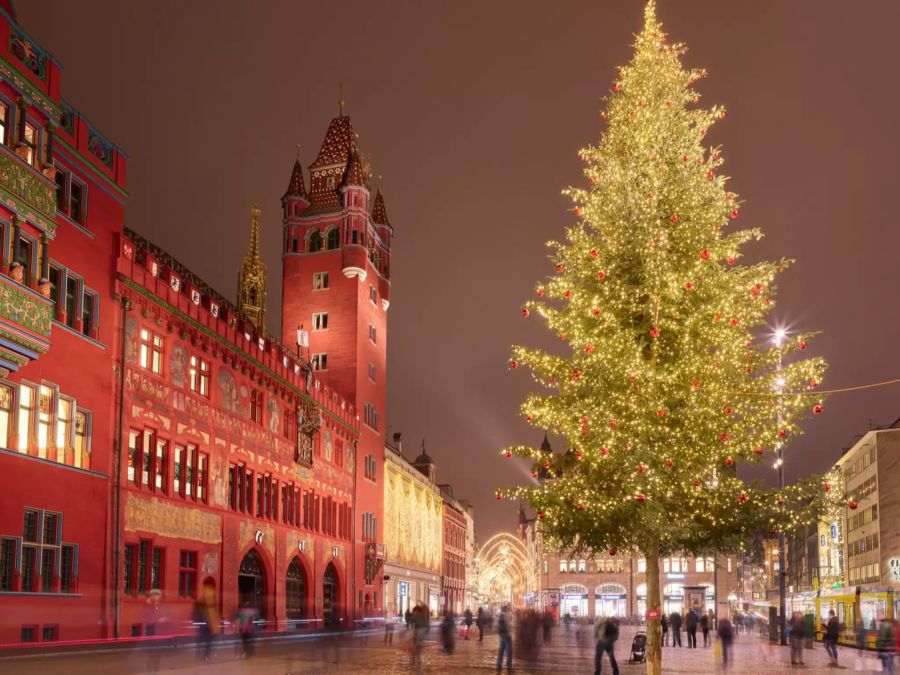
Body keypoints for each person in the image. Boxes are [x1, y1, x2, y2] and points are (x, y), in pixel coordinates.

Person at [193, 581, 219, 662]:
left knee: (207, 639)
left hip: (208, 624)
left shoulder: (211, 602)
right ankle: (203, 653)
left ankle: (205, 654)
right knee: (205, 639)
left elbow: (215, 613)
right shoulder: (201, 602)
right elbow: (196, 612)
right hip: (205, 624)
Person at [496, 605, 513, 674]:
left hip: (502, 636)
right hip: (507, 635)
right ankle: (508, 666)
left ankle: (499, 665)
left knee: (501, 652)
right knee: (509, 652)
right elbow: (509, 625)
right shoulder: (507, 616)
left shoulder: (499, 616)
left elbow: (496, 626)